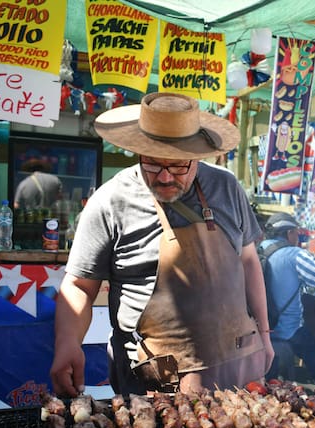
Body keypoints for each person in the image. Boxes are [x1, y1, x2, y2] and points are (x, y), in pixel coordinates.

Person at [50, 92, 273, 397]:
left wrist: (264, 332)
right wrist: (67, 343)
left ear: (197, 156)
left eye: (179, 166)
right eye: (153, 164)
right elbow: (78, 285)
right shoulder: (110, 201)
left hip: (235, 370)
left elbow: (248, 261)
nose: (166, 177)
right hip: (153, 379)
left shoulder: (226, 187)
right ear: (137, 151)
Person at [258, 212, 315, 396]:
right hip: (286, 328)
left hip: (262, 326)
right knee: (312, 350)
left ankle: (269, 386)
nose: (298, 237)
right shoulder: (292, 254)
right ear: (289, 234)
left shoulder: (260, 248)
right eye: (297, 233)